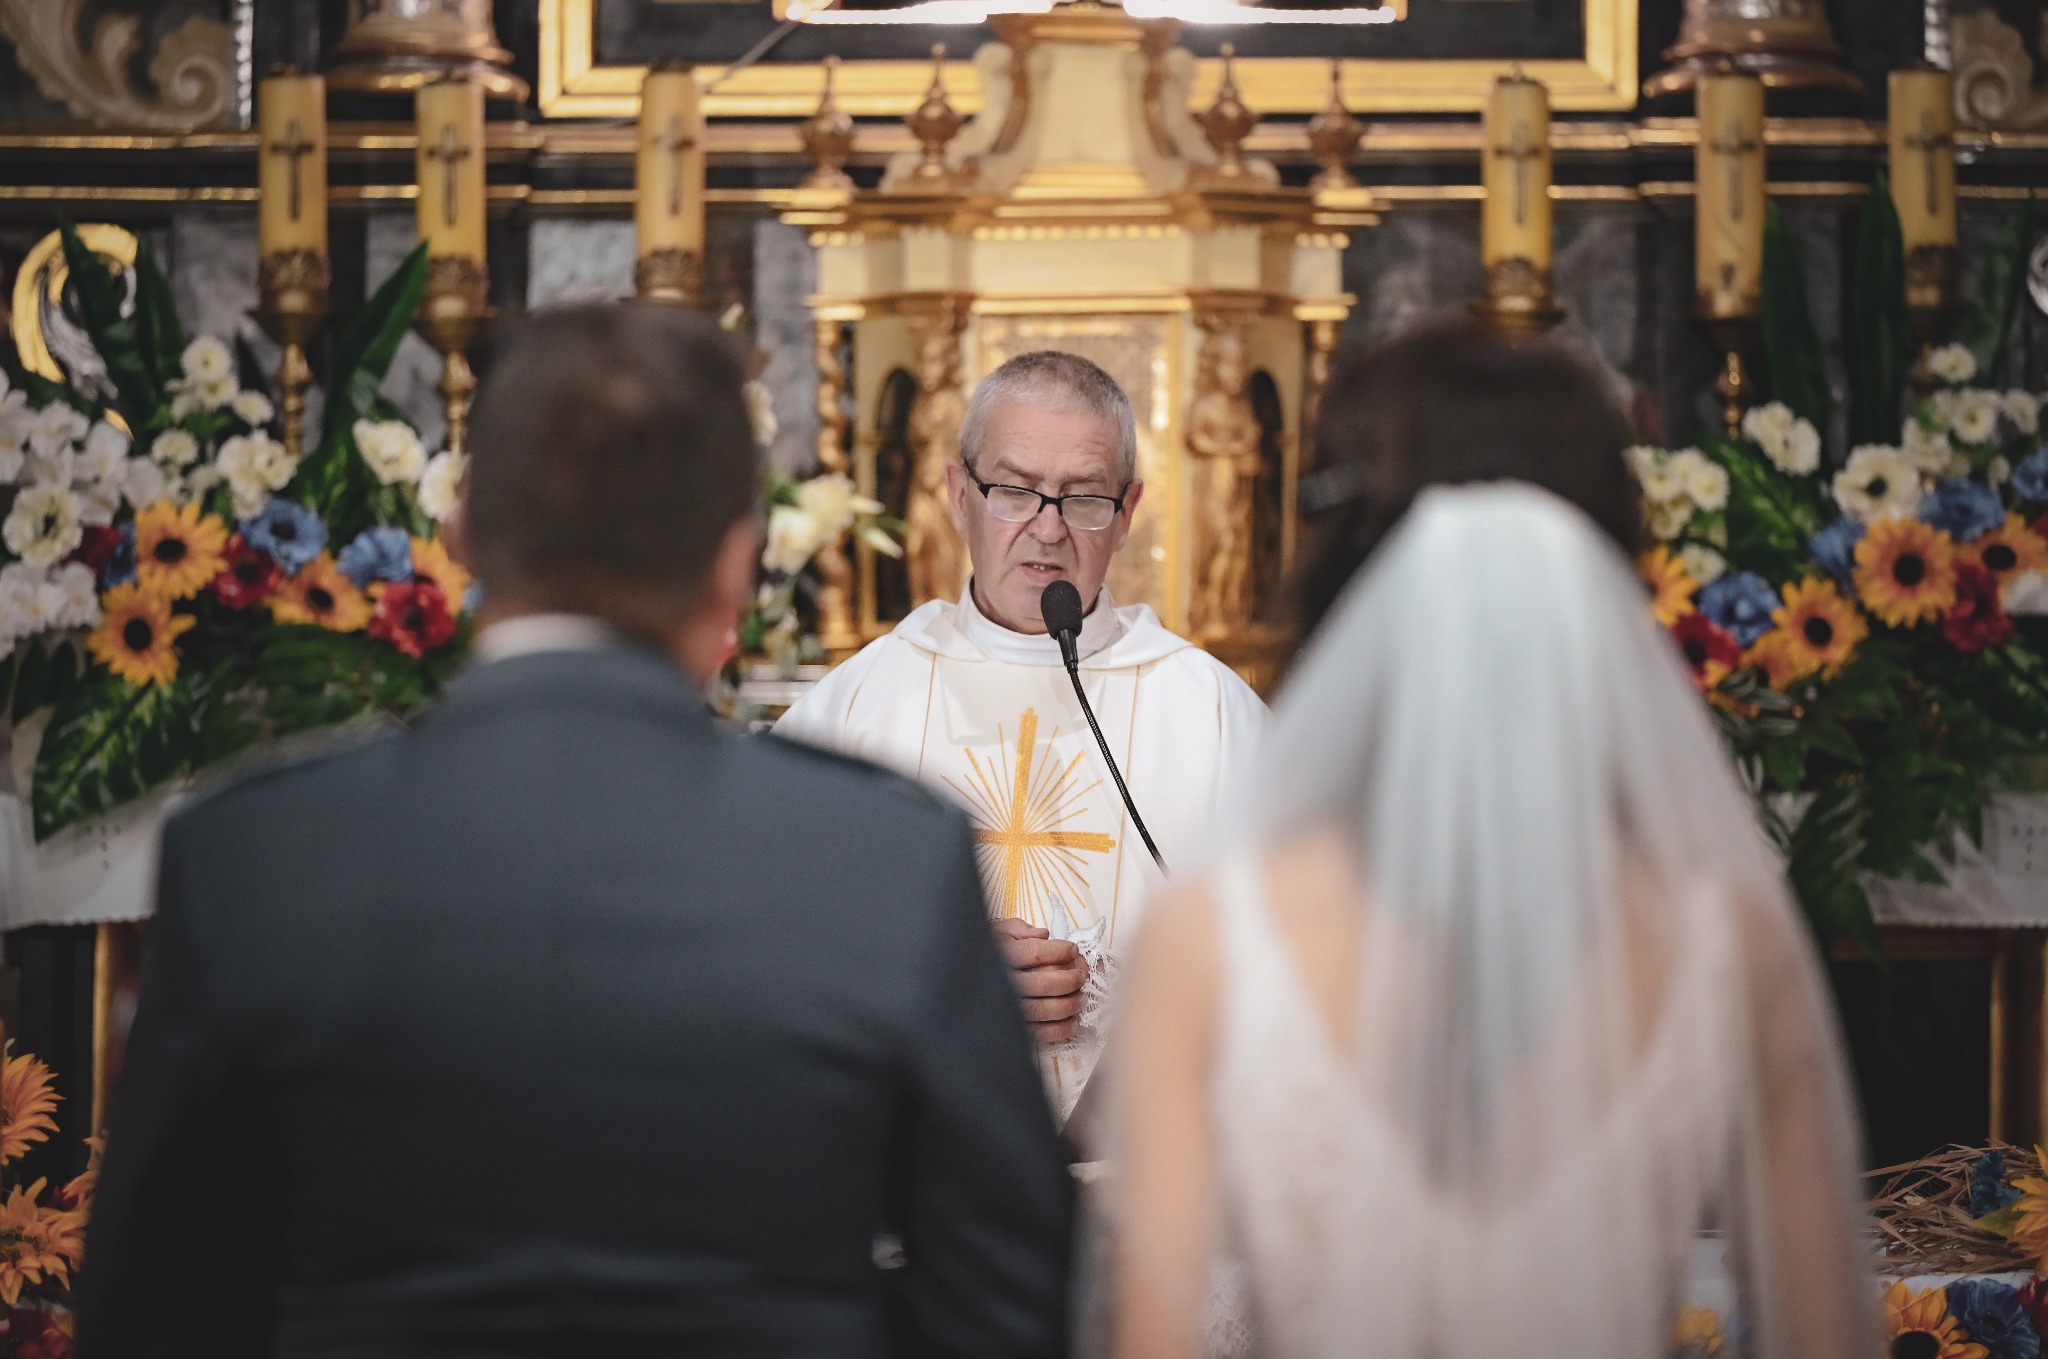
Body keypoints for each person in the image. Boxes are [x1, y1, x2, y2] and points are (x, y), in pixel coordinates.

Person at [75, 304, 1073, 1359]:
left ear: (460, 537)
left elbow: (154, 1316)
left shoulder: (252, 860)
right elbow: (1003, 1308)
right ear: (737, 563)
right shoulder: (885, 860)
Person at [1107, 318, 1872, 1359]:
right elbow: (1821, 1335)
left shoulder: (1206, 940)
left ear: (1342, 571)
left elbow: (1154, 1341)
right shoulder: (1726, 939)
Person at [776, 350, 1267, 1121]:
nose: (1047, 529)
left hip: (1144, 1178)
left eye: (1083, 499)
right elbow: (761, 948)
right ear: (957, 493)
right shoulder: (857, 705)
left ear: (1129, 509)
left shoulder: (1210, 712)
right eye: (1013, 490)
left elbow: (1300, 968)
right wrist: (943, 978)